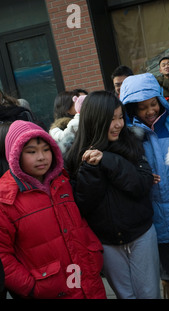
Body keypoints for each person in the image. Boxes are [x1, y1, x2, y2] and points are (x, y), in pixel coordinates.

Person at [64, 91, 160, 299]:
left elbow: (141, 185)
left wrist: (107, 160)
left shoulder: (131, 143)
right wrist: (90, 169)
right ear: (95, 120)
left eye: (120, 117)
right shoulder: (74, 157)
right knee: (125, 296)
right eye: (111, 119)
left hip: (141, 234)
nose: (118, 124)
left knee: (149, 294)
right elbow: (82, 205)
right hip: (106, 242)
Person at [0, 120, 106, 299]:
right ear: (15, 154)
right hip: (50, 290)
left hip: (87, 279)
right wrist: (31, 287)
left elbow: (80, 223)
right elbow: (3, 255)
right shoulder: (5, 199)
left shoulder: (62, 182)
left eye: (46, 149)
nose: (41, 157)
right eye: (31, 151)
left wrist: (94, 254)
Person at [119, 73, 169, 299]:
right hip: (157, 221)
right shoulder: (129, 138)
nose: (150, 111)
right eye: (142, 108)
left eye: (153, 104)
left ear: (161, 101)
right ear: (131, 109)